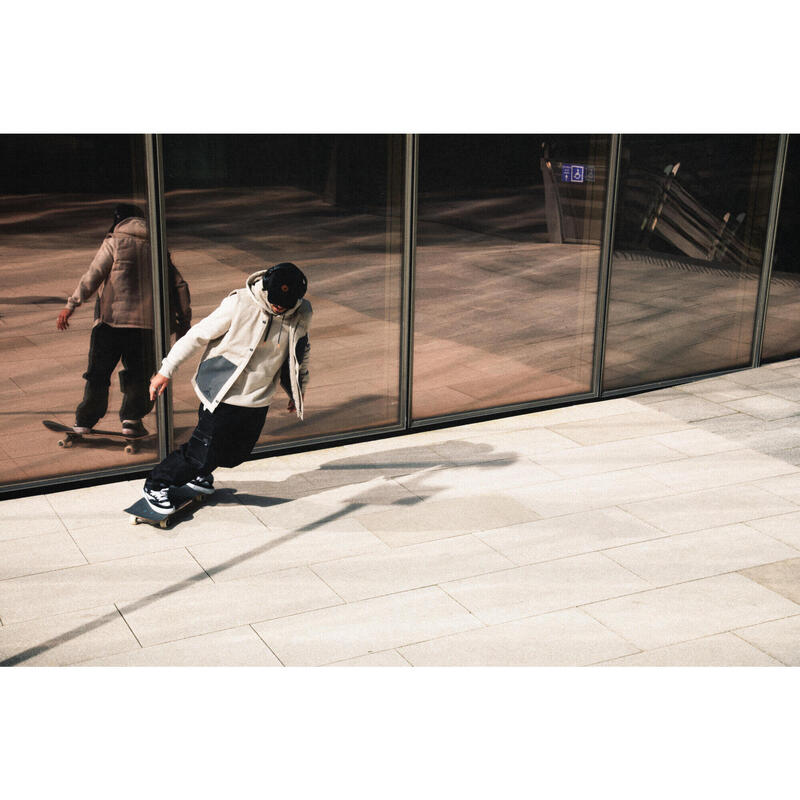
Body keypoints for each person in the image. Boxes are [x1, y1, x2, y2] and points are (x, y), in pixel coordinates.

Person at [142, 262, 311, 513]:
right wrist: (166, 371)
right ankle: (157, 484)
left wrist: (298, 390)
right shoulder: (240, 303)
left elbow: (299, 353)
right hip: (222, 394)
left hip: (257, 398)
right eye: (275, 301)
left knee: (235, 455)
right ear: (266, 288)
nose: (278, 307)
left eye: (284, 305)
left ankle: (199, 474)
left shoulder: (302, 312)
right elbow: (197, 335)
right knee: (201, 451)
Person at [57, 203, 192, 437]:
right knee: (139, 375)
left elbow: (93, 275)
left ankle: (85, 421)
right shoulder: (158, 247)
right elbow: (179, 285)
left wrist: (71, 305)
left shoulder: (115, 242)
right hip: (146, 327)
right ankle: (131, 419)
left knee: (98, 374)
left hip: (110, 324)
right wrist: (184, 321)